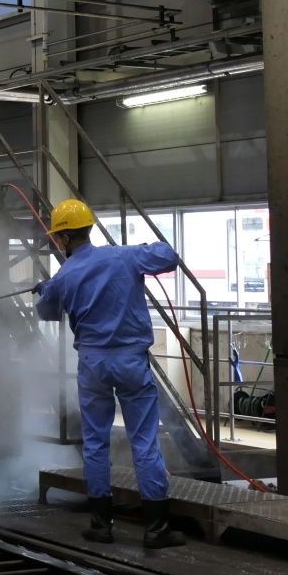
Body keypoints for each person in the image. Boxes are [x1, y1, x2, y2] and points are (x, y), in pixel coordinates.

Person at [34, 199, 186, 549]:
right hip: (131, 362)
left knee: (95, 443)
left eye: (57, 238)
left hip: (93, 365)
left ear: (63, 239)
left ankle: (101, 525)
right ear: (88, 229)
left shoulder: (64, 275)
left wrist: (44, 292)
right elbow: (167, 255)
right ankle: (156, 528)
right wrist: (141, 249)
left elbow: (46, 313)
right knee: (144, 443)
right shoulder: (124, 257)